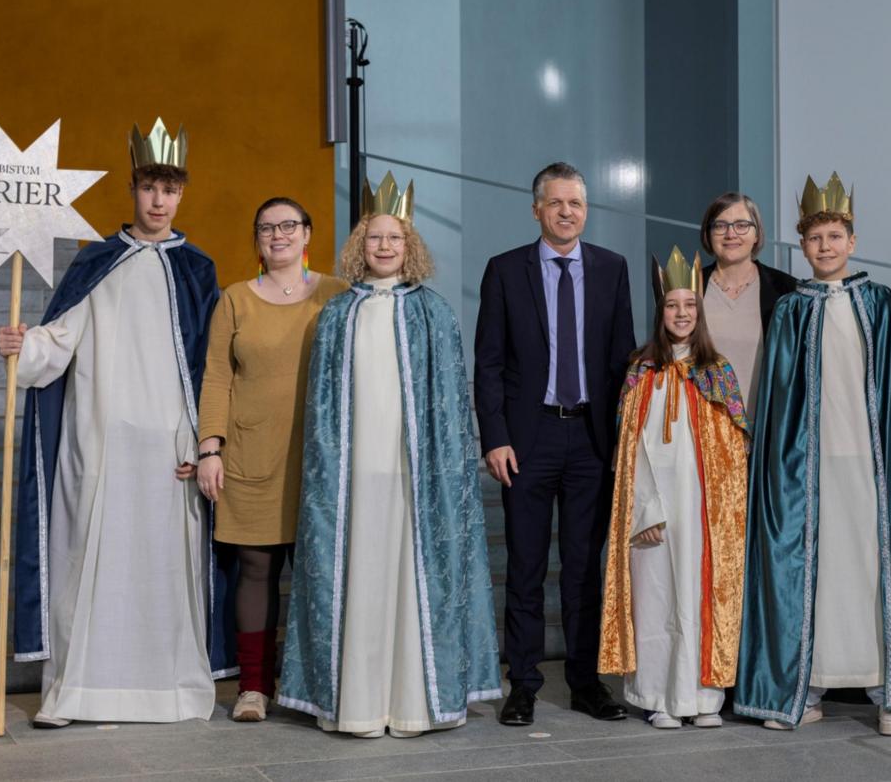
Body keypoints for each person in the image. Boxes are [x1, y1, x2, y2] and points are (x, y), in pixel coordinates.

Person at [1, 118, 235, 727]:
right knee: (87, 557)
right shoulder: (95, 262)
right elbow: (58, 341)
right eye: (151, 187)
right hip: (98, 438)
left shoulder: (198, 270)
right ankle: (76, 689)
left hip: (169, 445)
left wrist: (206, 439)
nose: (160, 201)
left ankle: (170, 689)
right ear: (133, 187)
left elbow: (211, 363)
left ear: (183, 193)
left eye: (172, 189)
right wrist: (21, 344)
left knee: (165, 566)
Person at [278, 173, 501, 738]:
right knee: (362, 578)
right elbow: (324, 407)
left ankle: (412, 704)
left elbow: (451, 406)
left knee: (409, 582)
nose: (383, 247)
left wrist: (441, 471)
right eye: (374, 238)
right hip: (353, 478)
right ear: (359, 244)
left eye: (394, 239)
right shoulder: (336, 314)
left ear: (410, 247)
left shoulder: (435, 312)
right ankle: (356, 703)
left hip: (413, 478)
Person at [736, 173, 891, 736]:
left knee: (872, 568)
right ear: (802, 245)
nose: (825, 246)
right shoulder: (791, 310)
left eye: (834, 235)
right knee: (816, 571)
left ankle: (889, 692)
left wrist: (887, 461)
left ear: (852, 240)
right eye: (815, 237)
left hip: (868, 463)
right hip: (810, 466)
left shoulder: (880, 302)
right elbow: (776, 396)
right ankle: (807, 684)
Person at [475, 162, 637, 726]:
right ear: (536, 208)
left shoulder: (612, 269)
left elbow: (623, 362)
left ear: (585, 210)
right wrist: (494, 437)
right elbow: (489, 364)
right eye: (557, 202)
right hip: (528, 438)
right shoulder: (504, 270)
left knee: (582, 569)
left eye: (576, 203)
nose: (567, 211)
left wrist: (626, 440)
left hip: (592, 439)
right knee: (523, 566)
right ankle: (521, 683)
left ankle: (586, 681)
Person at [196, 196, 348, 722]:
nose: (278, 234)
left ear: (307, 233)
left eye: (288, 225)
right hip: (251, 454)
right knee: (256, 570)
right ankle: (254, 689)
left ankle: (321, 686)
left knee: (321, 573)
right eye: (266, 227)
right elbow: (217, 375)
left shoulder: (336, 293)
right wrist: (209, 447)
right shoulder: (235, 299)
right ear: (256, 239)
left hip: (322, 459)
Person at [597, 247, 748, 730]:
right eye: (672, 305)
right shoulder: (642, 372)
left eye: (690, 306)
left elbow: (735, 446)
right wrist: (645, 508)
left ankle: (703, 698)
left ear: (699, 313)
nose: (681, 314)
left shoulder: (718, 371)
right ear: (660, 312)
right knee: (656, 594)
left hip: (702, 509)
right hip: (652, 509)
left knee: (698, 595)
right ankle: (658, 695)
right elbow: (627, 449)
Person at [698, 191, 798, 400]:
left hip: (763, 425)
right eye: (720, 226)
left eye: (742, 225)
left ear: (757, 234)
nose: (731, 234)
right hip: (701, 424)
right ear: (708, 234)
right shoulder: (689, 285)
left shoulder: (786, 289)